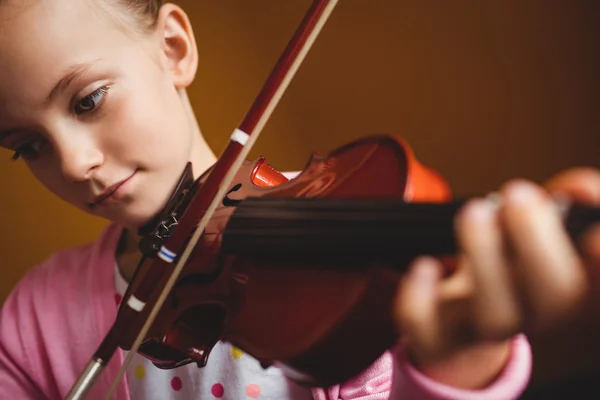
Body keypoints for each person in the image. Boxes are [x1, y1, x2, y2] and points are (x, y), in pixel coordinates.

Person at [0, 0, 597, 399]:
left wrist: (453, 365)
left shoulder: (338, 275)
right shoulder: (32, 323)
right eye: (28, 146)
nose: (75, 165)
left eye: (88, 100)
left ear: (175, 49)